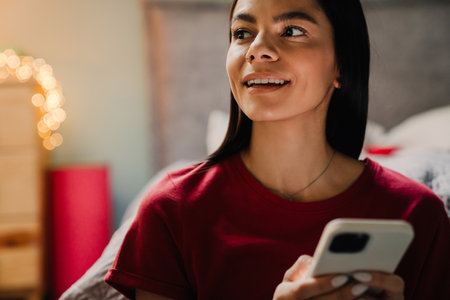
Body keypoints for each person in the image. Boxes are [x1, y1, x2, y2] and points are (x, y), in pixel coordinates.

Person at [105, 0, 450, 299]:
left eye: (293, 31)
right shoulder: (170, 210)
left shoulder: (418, 213)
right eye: (242, 33)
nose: (257, 49)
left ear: (341, 63)